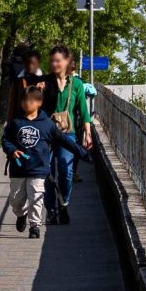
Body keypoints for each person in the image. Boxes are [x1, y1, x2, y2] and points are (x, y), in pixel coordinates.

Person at [44, 44, 95, 226]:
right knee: (48, 174)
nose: (54, 64)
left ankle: (63, 203)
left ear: (67, 61)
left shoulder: (77, 84)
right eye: (52, 60)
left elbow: (83, 111)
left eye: (58, 60)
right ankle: (50, 210)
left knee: (66, 172)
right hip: (47, 134)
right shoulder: (45, 82)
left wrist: (88, 133)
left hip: (68, 134)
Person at [3, 85, 57, 238]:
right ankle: (21, 214)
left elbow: (59, 138)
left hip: (38, 168)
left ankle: (35, 226)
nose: (28, 103)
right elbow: (5, 140)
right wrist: (12, 150)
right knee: (16, 201)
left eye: (32, 101)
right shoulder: (16, 122)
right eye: (25, 100)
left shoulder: (45, 123)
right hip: (18, 169)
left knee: (36, 196)